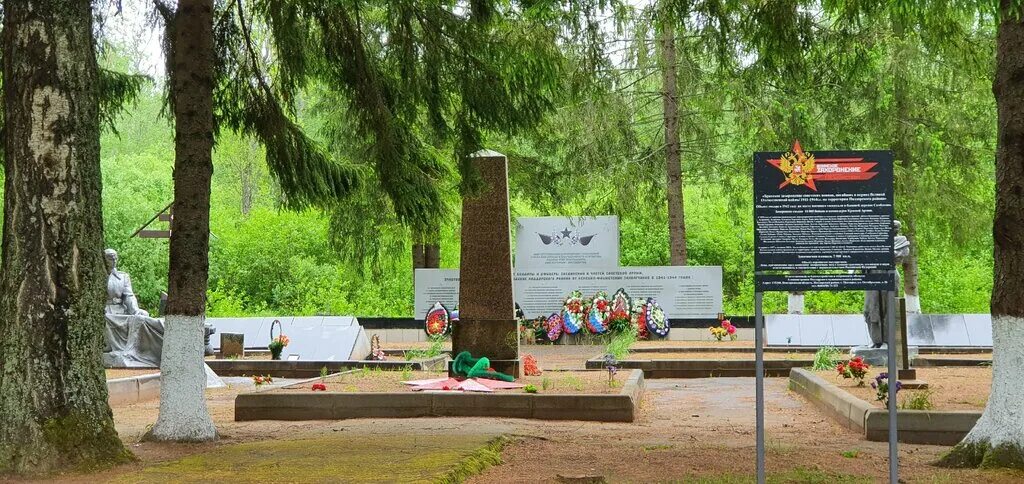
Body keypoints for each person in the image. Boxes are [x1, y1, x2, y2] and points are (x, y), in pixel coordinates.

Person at [102, 249, 167, 367]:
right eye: (111, 258)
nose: (114, 261)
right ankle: (118, 350)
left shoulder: (123, 277)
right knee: (106, 319)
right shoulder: (98, 276)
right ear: (104, 260)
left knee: (141, 317)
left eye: (115, 258)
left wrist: (135, 310)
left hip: (121, 310)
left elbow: (129, 296)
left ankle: (142, 350)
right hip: (105, 310)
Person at [863, 221, 911, 348]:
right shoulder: (874, 241)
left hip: (888, 274)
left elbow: (898, 255)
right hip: (872, 275)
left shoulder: (901, 241)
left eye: (894, 228)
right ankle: (876, 339)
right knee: (869, 308)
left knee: (887, 308)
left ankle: (887, 341)